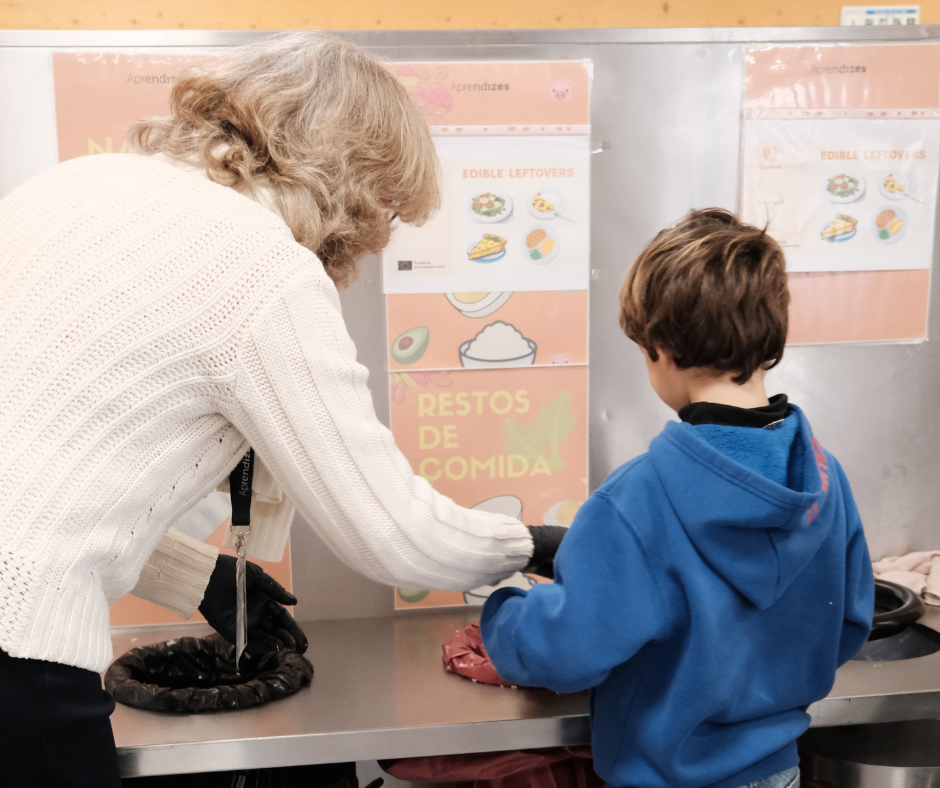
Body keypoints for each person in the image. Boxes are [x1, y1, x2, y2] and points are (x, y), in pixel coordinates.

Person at [0, 32, 564, 787]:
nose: (379, 237)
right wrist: (529, 543)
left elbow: (48, 481)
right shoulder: (260, 270)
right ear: (354, 178)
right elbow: (391, 533)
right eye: (389, 209)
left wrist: (195, 578)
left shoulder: (76, 185)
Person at [480, 209, 875, 788]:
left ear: (661, 348)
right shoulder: (823, 478)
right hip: (779, 772)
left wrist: (506, 614)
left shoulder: (637, 499)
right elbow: (850, 623)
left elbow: (565, 653)